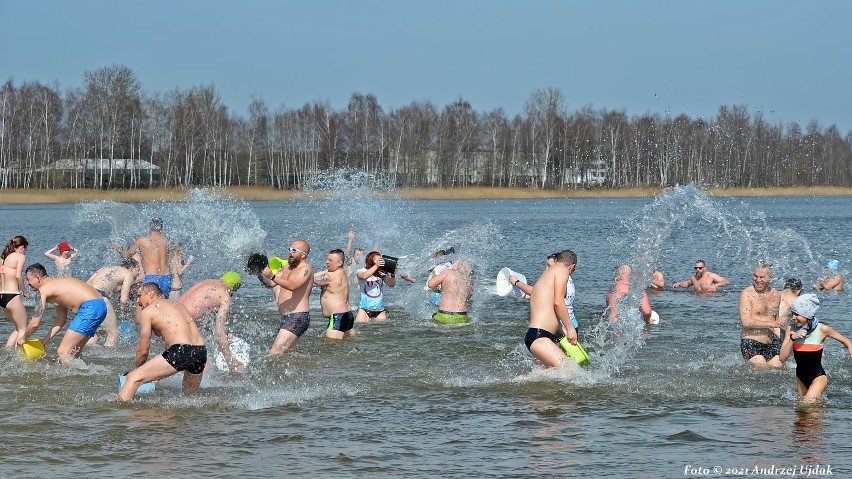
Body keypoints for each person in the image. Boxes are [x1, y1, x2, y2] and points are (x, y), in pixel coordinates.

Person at [118, 282, 207, 401]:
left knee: (133, 378)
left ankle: (119, 415)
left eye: (139, 296)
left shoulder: (148, 311)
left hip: (181, 350)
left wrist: (139, 370)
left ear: (151, 294)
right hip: (200, 352)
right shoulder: (177, 305)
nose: (137, 301)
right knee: (190, 399)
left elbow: (143, 351)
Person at [23, 263, 108, 366]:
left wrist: (23, 338)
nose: (27, 283)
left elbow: (34, 323)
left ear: (38, 278)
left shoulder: (43, 290)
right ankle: (82, 377)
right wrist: (43, 342)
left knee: (63, 352)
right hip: (101, 306)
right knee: (74, 353)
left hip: (90, 308)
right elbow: (61, 321)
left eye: (28, 279)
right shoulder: (57, 287)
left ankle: (68, 380)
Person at [779, 293, 852, 402]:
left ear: (807, 315)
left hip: (818, 377)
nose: (793, 317)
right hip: (800, 378)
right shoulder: (791, 329)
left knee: (808, 405)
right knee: (803, 415)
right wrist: (792, 338)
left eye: (797, 314)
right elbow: (782, 358)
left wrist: (850, 349)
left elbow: (846, 341)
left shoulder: (822, 329)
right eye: (792, 313)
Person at [256, 240, 314, 354]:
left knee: (274, 352)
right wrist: (258, 272)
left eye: (294, 250)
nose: (290, 253)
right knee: (289, 354)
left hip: (298, 317)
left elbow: (293, 286)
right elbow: (271, 283)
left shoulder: (306, 269)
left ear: (303, 255)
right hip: (287, 317)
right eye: (289, 249)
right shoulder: (287, 268)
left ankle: (271, 372)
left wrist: (272, 276)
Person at [178, 272, 243, 372]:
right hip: (181, 323)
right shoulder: (225, 297)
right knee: (205, 367)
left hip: (172, 314)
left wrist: (222, 333)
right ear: (232, 291)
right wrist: (231, 361)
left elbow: (195, 314)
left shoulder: (209, 283)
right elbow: (219, 331)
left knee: (178, 358)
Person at [524, 250, 579, 368]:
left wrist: (561, 330)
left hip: (537, 335)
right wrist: (570, 329)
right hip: (540, 336)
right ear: (572, 266)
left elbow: (549, 310)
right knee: (569, 370)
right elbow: (558, 302)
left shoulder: (548, 274)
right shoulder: (562, 271)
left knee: (548, 375)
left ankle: (515, 383)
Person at [510, 250, 580, 329]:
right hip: (571, 323)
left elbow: (534, 291)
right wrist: (524, 296)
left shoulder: (560, 278)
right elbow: (548, 297)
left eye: (549, 265)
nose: (546, 268)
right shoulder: (566, 278)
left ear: (557, 263)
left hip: (563, 324)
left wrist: (516, 282)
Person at [85, 258, 141, 347]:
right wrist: (128, 313)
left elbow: (87, 283)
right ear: (131, 268)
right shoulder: (128, 274)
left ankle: (86, 351)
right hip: (99, 296)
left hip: (85, 296)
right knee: (114, 333)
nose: (138, 274)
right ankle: (106, 358)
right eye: (138, 270)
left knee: (98, 331)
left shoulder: (106, 268)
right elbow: (123, 300)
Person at [739, 262, 783, 368]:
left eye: (762, 277)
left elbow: (776, 323)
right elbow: (746, 322)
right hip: (751, 341)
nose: (758, 280)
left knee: (778, 368)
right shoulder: (747, 294)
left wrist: (786, 342)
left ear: (771, 278)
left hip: (771, 342)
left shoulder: (776, 295)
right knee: (762, 367)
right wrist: (772, 324)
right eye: (755, 276)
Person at [113, 217, 172, 297]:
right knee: (163, 304)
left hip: (152, 278)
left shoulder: (142, 240)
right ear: (161, 227)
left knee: (145, 306)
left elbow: (126, 255)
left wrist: (118, 249)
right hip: (166, 278)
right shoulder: (166, 239)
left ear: (150, 226)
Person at [313, 249, 355, 339]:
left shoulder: (331, 276)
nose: (327, 262)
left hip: (338, 317)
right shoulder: (341, 273)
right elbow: (322, 273)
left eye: (330, 260)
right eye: (327, 259)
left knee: (331, 348)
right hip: (348, 316)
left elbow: (307, 281)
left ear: (339, 263)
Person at [1, 236, 30, 347]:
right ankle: (20, 357)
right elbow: (18, 275)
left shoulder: (5, 257)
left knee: (18, 328)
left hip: (2, 297)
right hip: (12, 295)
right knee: (23, 328)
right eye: (26, 249)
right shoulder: (20, 256)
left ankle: (8, 350)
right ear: (22, 247)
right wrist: (24, 291)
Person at [427, 258, 473, 325]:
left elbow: (430, 285)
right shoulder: (469, 281)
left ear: (457, 265)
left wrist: (434, 275)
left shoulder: (448, 273)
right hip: (463, 317)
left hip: (445, 315)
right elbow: (466, 297)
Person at [355, 251, 397, 322]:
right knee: (361, 326)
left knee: (381, 330)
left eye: (381, 260)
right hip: (364, 309)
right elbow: (364, 276)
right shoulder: (361, 271)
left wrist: (392, 274)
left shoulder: (382, 273)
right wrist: (376, 266)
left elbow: (391, 284)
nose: (380, 262)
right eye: (377, 260)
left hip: (379, 310)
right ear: (370, 260)